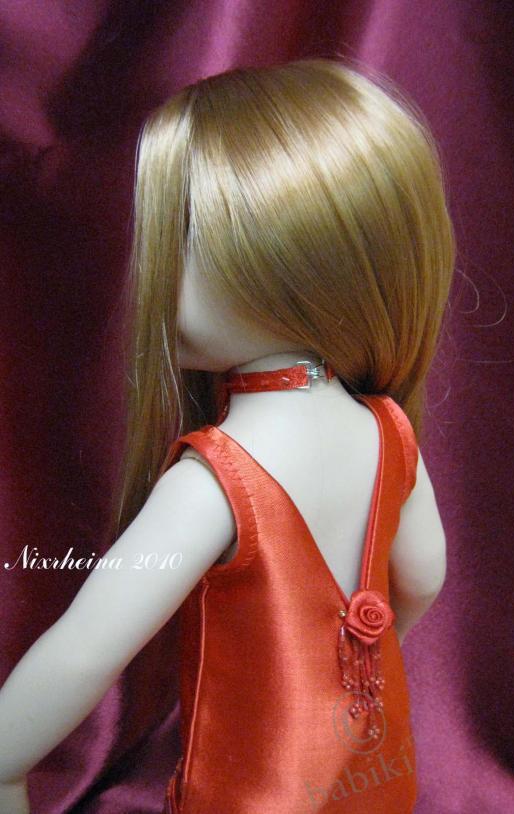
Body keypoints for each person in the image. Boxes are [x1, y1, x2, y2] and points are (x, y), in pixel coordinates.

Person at [0, 57, 453, 813]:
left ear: (273, 266)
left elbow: (85, 651)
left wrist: (7, 758)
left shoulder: (217, 479)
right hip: (372, 775)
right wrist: (352, 672)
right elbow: (426, 574)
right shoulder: (387, 428)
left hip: (252, 792)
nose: (144, 275)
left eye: (173, 246)